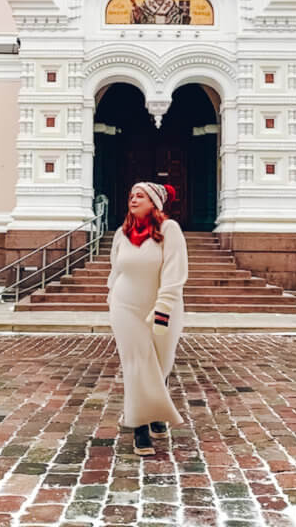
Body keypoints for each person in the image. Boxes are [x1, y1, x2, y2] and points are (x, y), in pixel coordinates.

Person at [107, 181, 188, 456]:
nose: (133, 199)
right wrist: (111, 298)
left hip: (162, 308)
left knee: (160, 365)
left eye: (140, 196)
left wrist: (163, 307)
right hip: (125, 307)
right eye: (131, 195)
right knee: (136, 365)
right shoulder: (122, 233)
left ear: (154, 202)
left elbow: (174, 273)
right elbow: (116, 271)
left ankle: (156, 415)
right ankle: (140, 427)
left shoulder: (169, 230)